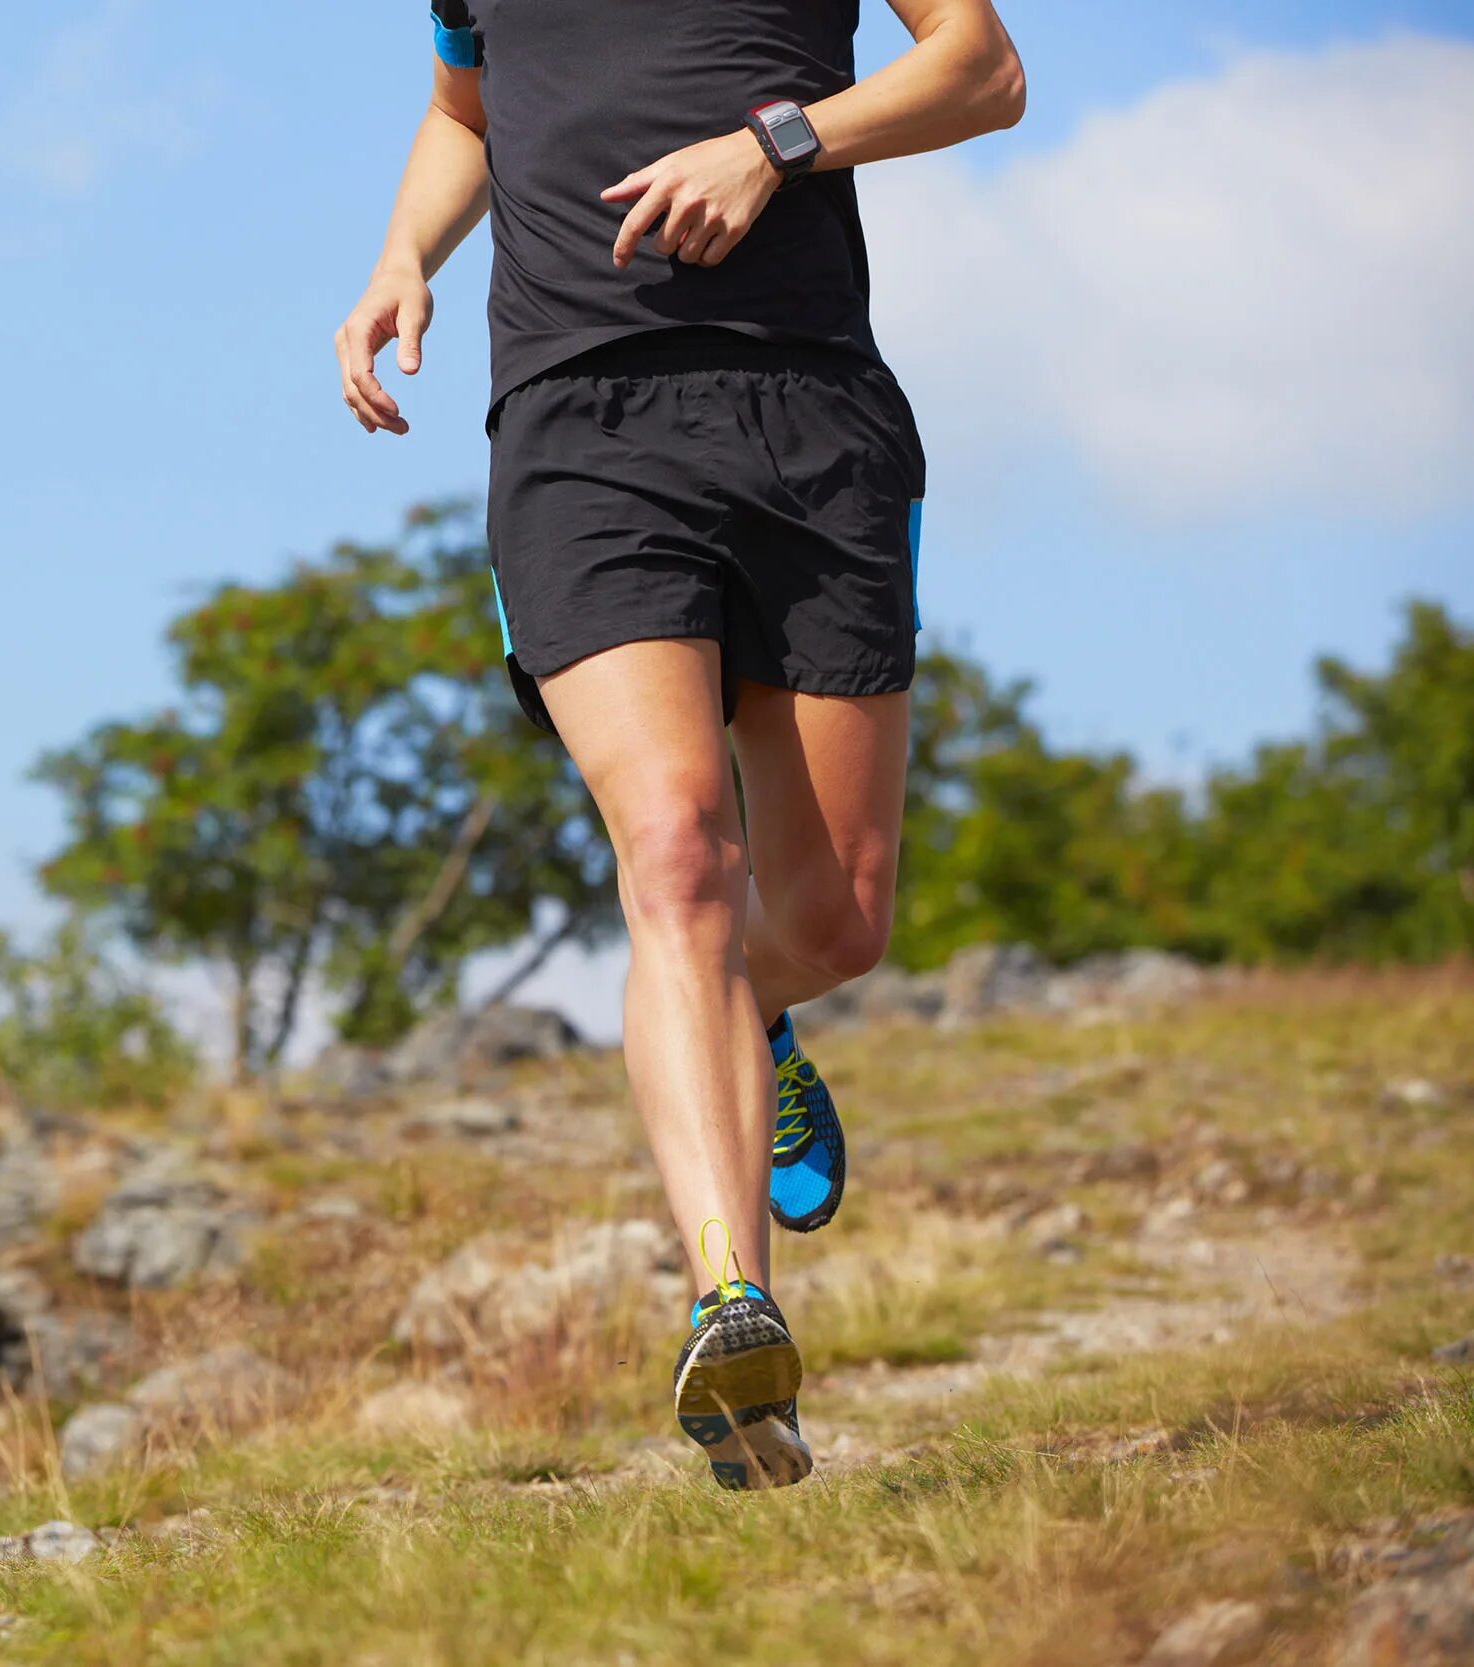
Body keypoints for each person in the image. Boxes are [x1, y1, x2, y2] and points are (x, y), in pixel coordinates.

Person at [333, 0, 1024, 1490]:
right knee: (675, 857)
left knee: (834, 919)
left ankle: (748, 1018)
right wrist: (403, 256)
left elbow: (982, 67)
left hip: (812, 413)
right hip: (580, 423)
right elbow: (467, 109)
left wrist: (777, 147)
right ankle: (734, 1307)